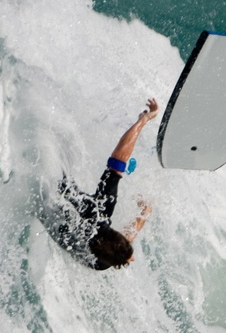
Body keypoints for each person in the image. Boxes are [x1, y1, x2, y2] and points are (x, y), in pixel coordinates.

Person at [49, 98, 159, 270]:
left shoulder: (99, 211)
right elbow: (122, 245)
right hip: (42, 206)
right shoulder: (99, 263)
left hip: (52, 180)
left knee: (61, 177)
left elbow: (118, 161)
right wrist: (144, 213)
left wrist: (143, 120)